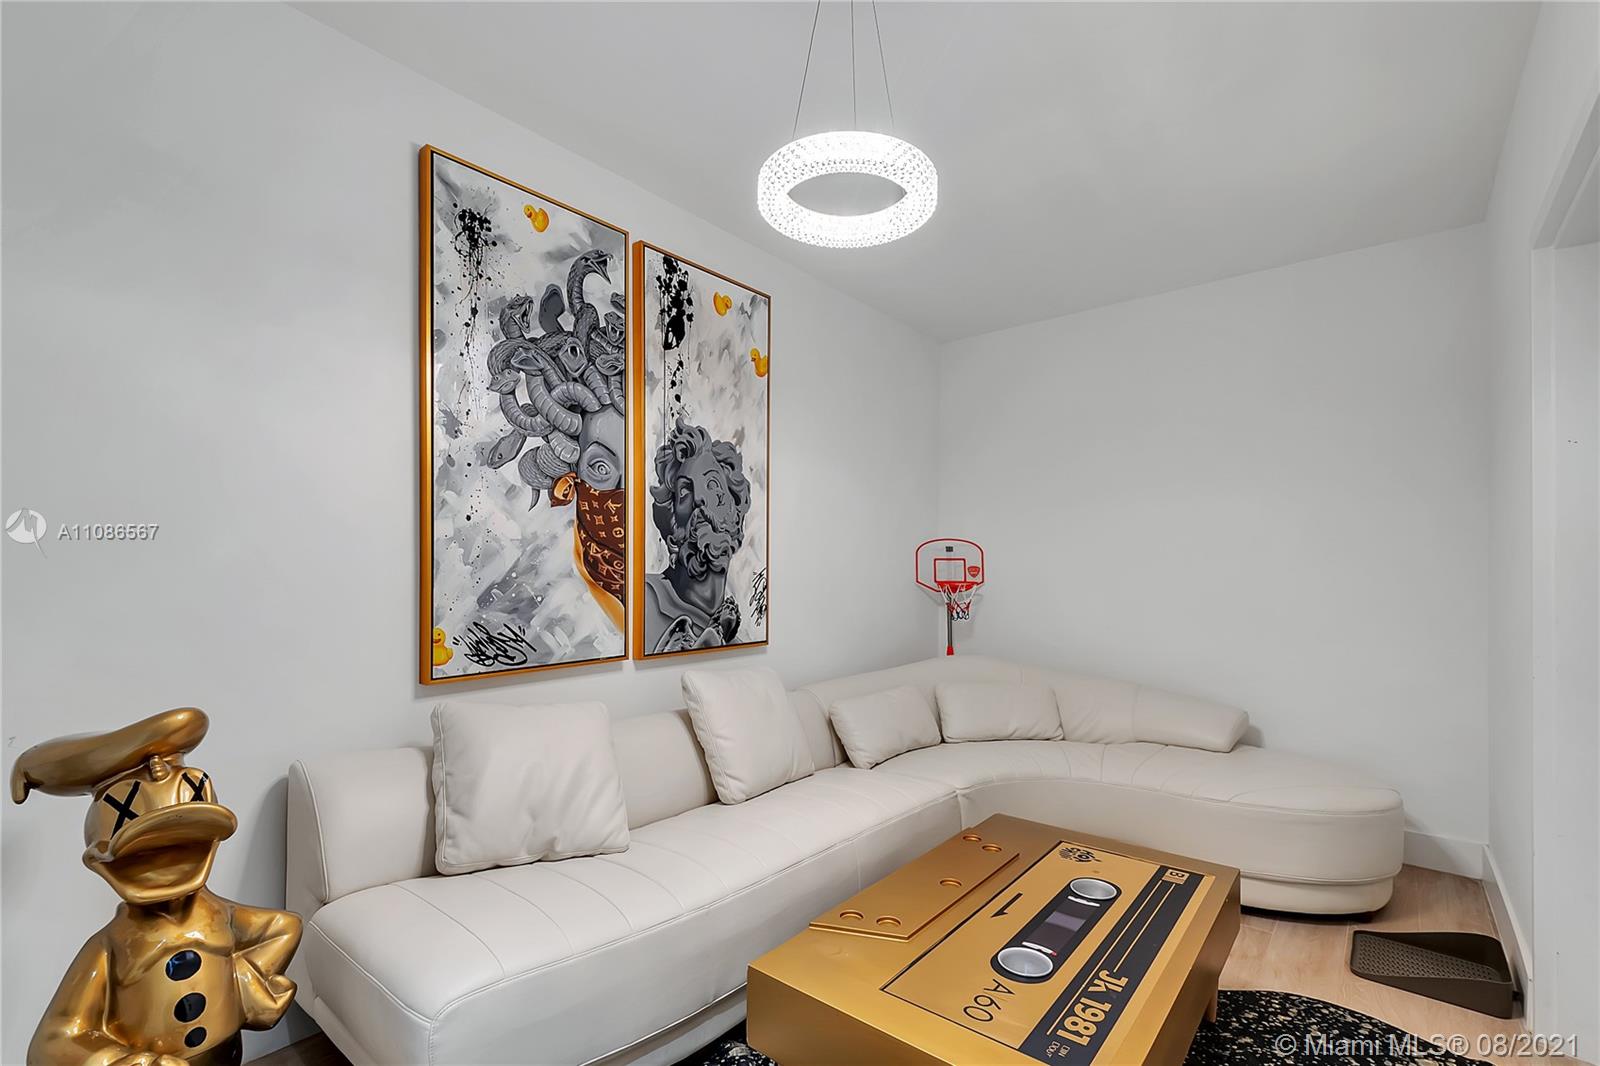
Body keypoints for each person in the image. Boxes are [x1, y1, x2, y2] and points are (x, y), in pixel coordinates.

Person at [641, 419, 751, 654]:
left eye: (712, 484)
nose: (700, 497)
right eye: (685, 491)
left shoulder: (736, 646)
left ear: (737, 517)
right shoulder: (642, 600)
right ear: (672, 530)